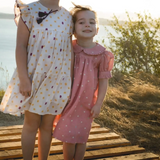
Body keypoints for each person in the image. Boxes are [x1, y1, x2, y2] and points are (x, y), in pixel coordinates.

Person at [0, 0, 73, 159]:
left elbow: (70, 51)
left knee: (47, 126)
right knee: (31, 124)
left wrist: (70, 81)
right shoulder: (30, 10)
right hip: (34, 78)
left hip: (57, 80)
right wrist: (24, 78)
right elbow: (20, 46)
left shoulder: (68, 16)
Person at [53, 3, 114, 160]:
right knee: (68, 136)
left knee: (81, 136)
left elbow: (103, 81)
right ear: (73, 30)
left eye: (92, 22)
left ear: (97, 29)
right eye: (81, 22)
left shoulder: (102, 54)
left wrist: (99, 103)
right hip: (68, 101)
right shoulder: (69, 48)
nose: (87, 25)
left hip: (87, 103)